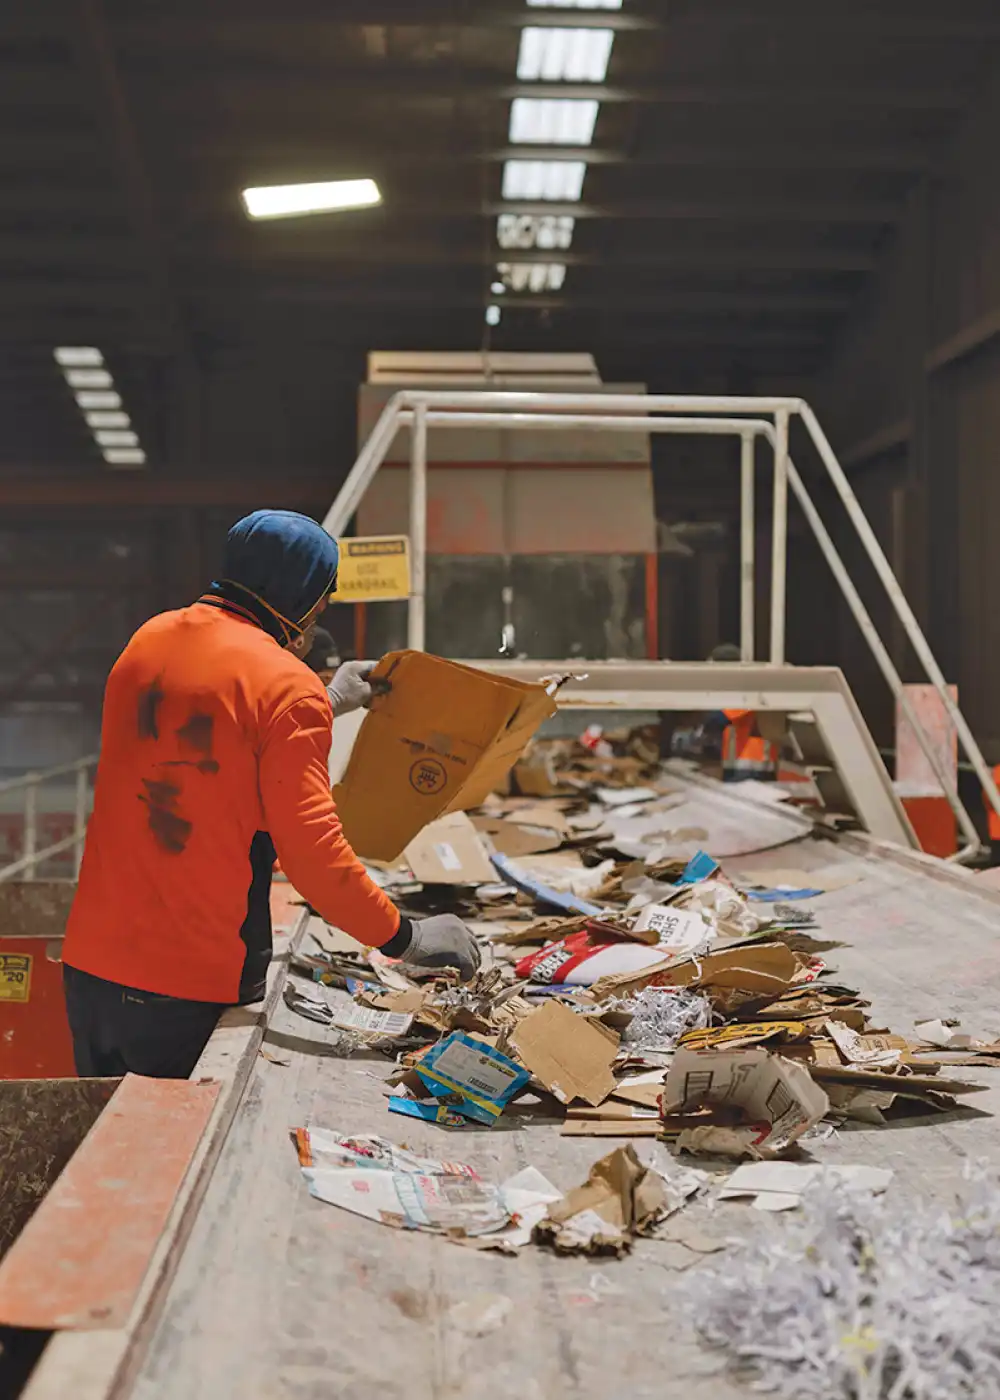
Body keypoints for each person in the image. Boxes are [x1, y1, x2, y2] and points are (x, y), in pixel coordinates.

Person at [61, 509, 480, 1080]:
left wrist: (328, 700)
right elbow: (315, 858)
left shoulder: (148, 640)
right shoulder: (285, 685)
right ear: (304, 597)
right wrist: (405, 938)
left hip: (92, 969)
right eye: (323, 601)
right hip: (184, 986)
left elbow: (204, 745)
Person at [704, 643, 779, 782]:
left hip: (752, 767)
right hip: (737, 764)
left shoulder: (747, 691)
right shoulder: (737, 690)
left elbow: (717, 718)